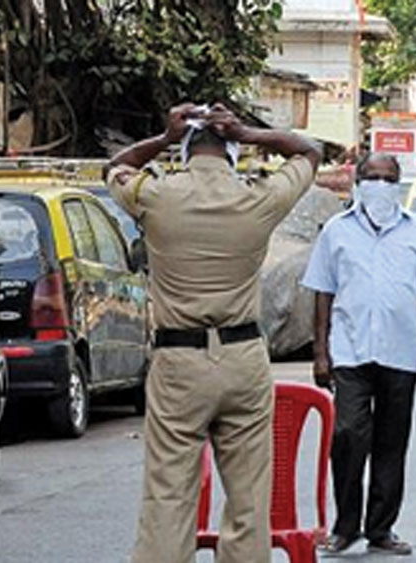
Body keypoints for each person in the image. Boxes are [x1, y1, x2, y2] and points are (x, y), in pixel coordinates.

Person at [107, 104, 321, 563]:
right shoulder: (257, 199)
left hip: (178, 361)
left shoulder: (156, 196)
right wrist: (250, 132)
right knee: (248, 500)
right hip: (243, 357)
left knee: (169, 495)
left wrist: (162, 137)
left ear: (185, 153)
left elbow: (116, 167)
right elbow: (309, 152)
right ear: (232, 151)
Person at [301, 153, 416, 556]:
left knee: (392, 440)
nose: (380, 184)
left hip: (400, 350)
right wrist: (321, 352)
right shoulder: (336, 231)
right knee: (348, 434)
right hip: (350, 349)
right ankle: (345, 526)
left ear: (399, 183)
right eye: (372, 177)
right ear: (358, 181)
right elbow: (322, 292)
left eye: (388, 178)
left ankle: (381, 527)